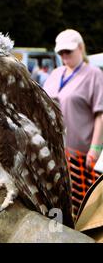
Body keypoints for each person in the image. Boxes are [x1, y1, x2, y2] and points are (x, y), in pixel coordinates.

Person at [43, 29, 103, 171]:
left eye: (68, 51)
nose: (64, 55)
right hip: (53, 152)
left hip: (82, 157)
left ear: (80, 48)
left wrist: (95, 148)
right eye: (61, 52)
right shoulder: (55, 74)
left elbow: (100, 115)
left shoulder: (94, 74)